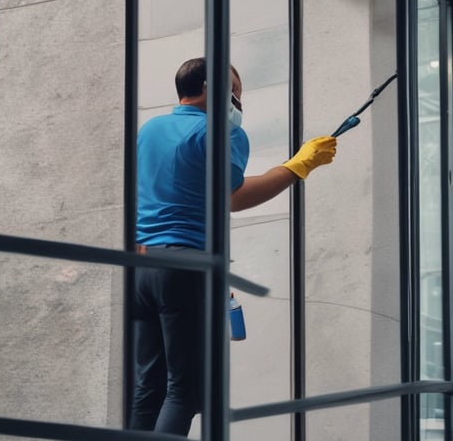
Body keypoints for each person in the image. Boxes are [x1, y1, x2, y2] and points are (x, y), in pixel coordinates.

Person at [130, 57, 337, 435]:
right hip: (185, 264)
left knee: (149, 387)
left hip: (142, 267)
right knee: (185, 392)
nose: (239, 102)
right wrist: (297, 166)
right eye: (235, 92)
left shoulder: (149, 129)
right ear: (210, 88)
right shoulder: (223, 133)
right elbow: (233, 197)